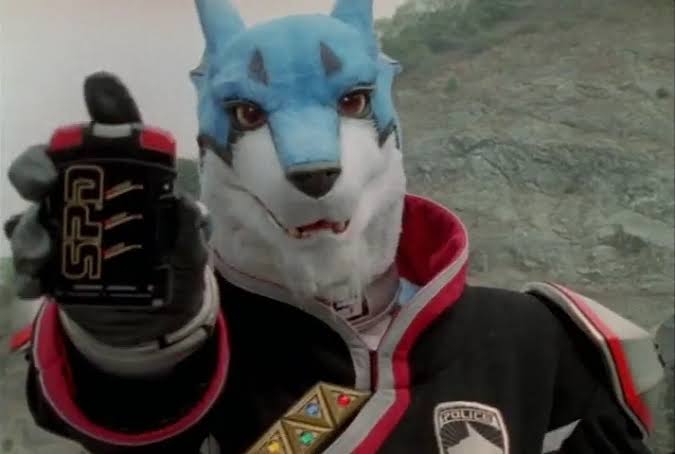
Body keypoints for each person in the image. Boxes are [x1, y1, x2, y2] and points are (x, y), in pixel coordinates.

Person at [4, 0, 664, 453]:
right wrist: (129, 341)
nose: (309, 157)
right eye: (249, 116)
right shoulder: (194, 351)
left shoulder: (541, 341)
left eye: (350, 100)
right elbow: (132, 414)